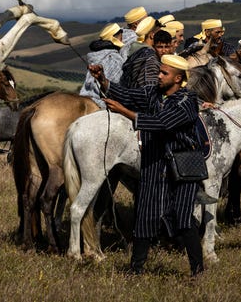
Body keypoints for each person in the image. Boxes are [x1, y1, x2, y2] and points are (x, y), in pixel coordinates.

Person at [88, 54, 204, 277]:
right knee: (146, 216)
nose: (159, 76)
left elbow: (161, 123)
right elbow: (129, 94)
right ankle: (136, 269)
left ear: (178, 78)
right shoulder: (154, 93)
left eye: (164, 73)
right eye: (159, 71)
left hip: (182, 167)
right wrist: (103, 80)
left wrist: (123, 111)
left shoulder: (187, 101)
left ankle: (197, 270)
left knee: (183, 219)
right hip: (154, 164)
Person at [79, 23, 125, 107]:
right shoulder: (114, 58)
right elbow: (116, 88)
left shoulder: (95, 56)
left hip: (86, 98)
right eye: (121, 37)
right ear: (117, 38)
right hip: (102, 104)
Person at [119, 16, 161, 88]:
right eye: (159, 33)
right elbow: (149, 91)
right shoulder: (150, 58)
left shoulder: (136, 52)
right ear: (152, 35)